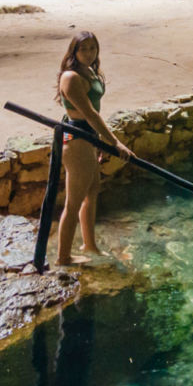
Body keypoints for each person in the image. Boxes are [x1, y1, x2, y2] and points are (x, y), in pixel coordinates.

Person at [54, 31, 133, 266]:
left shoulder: (90, 72)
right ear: (73, 51)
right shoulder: (71, 77)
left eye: (93, 48)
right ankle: (63, 257)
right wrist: (113, 142)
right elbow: (89, 113)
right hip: (76, 138)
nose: (89, 53)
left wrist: (98, 141)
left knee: (92, 191)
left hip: (89, 137)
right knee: (74, 201)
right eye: (83, 49)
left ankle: (89, 244)